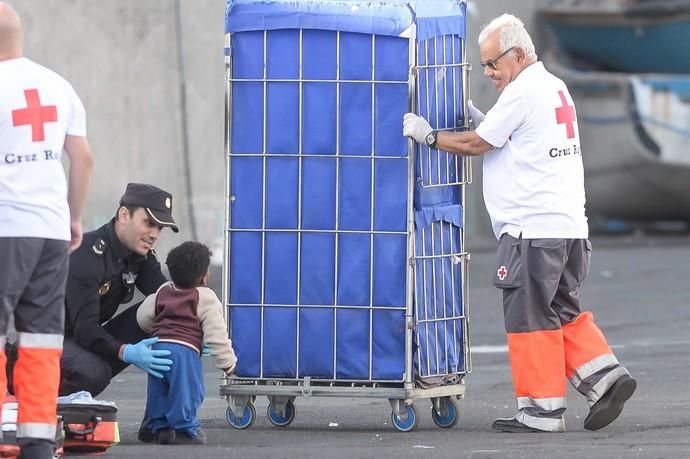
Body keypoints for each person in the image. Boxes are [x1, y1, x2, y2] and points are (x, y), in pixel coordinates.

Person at [403, 13, 636, 433]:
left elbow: (479, 143)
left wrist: (429, 136)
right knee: (562, 310)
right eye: (485, 64)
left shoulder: (522, 93)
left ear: (518, 53)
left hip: (532, 233)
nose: (489, 72)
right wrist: (479, 116)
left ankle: (541, 412)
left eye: (493, 63)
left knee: (530, 318)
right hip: (569, 230)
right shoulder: (553, 87)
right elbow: (508, 137)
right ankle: (606, 378)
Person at [0, 2, 94, 457]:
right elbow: (83, 158)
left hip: (4, 226)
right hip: (51, 230)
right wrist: (74, 217)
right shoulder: (57, 85)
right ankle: (37, 443)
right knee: (40, 340)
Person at [136, 241, 237, 445]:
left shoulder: (163, 291)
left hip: (158, 347)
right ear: (204, 276)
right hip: (184, 351)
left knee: (158, 390)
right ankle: (185, 429)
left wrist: (155, 331)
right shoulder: (205, 297)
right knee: (188, 391)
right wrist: (228, 363)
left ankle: (160, 428)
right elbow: (216, 333)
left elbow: (143, 316)